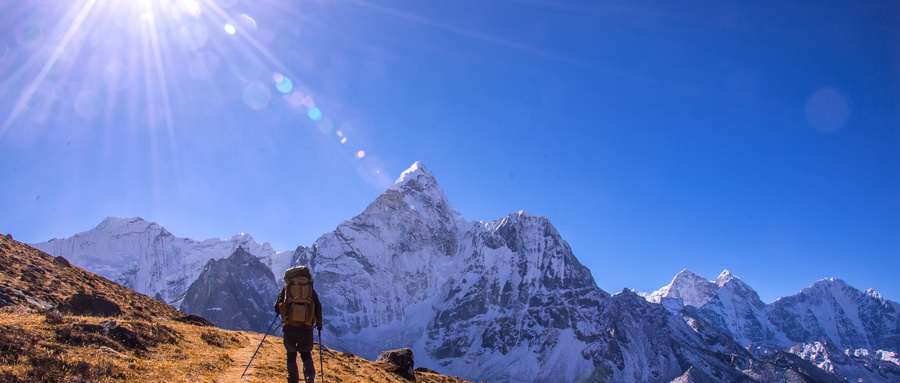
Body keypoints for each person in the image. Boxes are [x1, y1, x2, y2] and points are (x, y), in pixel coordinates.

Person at [274, 266, 323, 383]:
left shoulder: (287, 288)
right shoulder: (310, 288)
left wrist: (281, 312)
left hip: (290, 326)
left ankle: (293, 379)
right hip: (306, 327)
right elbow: (318, 306)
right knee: (305, 353)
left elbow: (277, 307)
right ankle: (309, 375)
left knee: (291, 354)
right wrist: (319, 323)